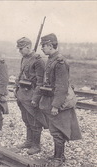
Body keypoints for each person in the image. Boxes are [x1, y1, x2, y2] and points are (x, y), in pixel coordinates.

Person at [39, 33, 82, 167]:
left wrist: (56, 106)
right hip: (52, 99)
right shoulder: (52, 59)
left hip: (60, 101)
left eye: (43, 46)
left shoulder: (59, 62)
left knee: (58, 130)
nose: (42, 49)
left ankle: (58, 159)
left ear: (51, 45)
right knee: (55, 129)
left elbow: (62, 87)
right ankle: (59, 155)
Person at [15, 37, 48, 155]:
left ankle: (36, 145)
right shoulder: (24, 58)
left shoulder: (38, 60)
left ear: (28, 47)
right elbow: (20, 75)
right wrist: (16, 89)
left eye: (21, 48)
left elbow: (41, 82)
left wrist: (35, 98)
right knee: (26, 120)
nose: (19, 51)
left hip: (32, 95)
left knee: (35, 121)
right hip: (22, 95)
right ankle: (29, 141)